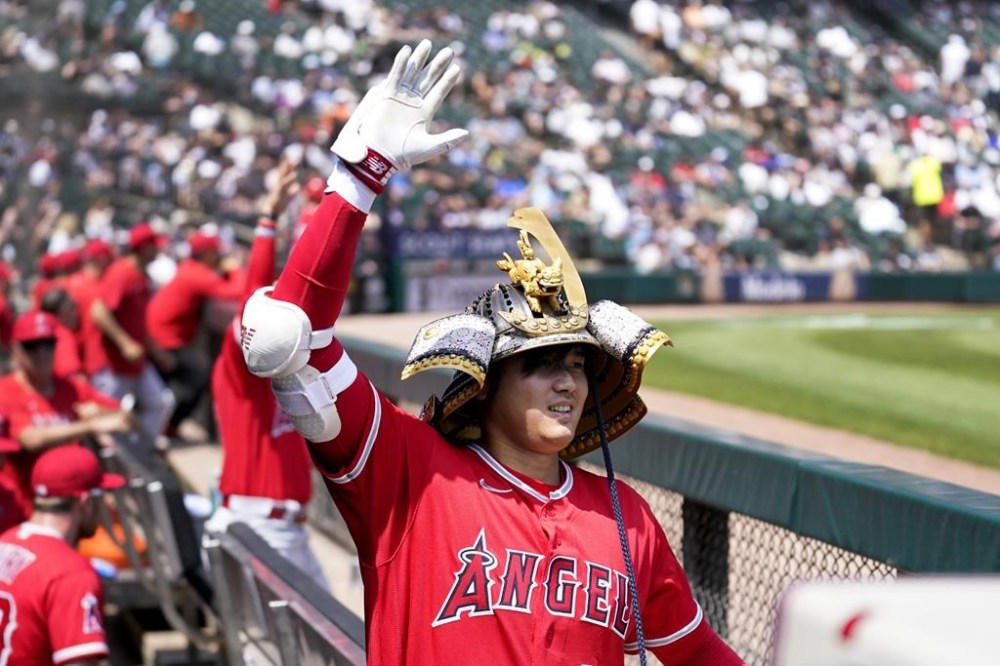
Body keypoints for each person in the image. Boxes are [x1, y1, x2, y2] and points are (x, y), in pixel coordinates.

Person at [241, 41, 743, 664]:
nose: (568, 384)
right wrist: (356, 179)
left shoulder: (624, 517)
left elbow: (698, 654)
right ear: (488, 382)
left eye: (577, 365)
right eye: (540, 364)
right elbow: (288, 337)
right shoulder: (410, 472)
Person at [204, 159, 328, 589]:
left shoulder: (280, 362)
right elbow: (249, 306)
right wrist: (267, 220)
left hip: (278, 528)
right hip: (259, 526)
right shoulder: (242, 371)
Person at [0, 445, 125, 665]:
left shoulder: (5, 541)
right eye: (101, 495)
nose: (107, 503)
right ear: (85, 503)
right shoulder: (71, 574)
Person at [0, 311, 132, 517]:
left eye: (48, 344)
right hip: (26, 506)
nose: (41, 353)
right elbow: (29, 439)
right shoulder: (6, 390)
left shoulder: (70, 387)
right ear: (16, 349)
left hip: (72, 503)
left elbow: (125, 417)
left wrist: (101, 412)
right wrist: (89, 426)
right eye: (31, 346)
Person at [146, 229, 244, 440]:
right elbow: (237, 291)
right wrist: (234, 270)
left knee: (173, 383)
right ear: (207, 253)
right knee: (198, 377)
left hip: (164, 335)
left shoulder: (190, 268)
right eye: (216, 252)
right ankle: (168, 428)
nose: (219, 256)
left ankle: (165, 427)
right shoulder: (197, 274)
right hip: (166, 339)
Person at [87, 223, 173, 442]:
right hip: (111, 364)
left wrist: (155, 352)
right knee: (104, 418)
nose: (157, 248)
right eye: (153, 244)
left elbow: (139, 324)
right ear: (143, 247)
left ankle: (139, 452)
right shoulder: (122, 272)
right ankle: (111, 461)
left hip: (135, 363)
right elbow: (98, 311)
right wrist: (124, 343)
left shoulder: (141, 276)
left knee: (161, 402)